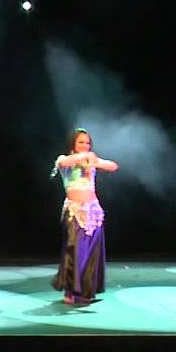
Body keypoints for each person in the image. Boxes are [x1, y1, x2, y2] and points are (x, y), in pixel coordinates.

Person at [49, 128, 118, 304]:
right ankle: (69, 292)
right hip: (75, 210)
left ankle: (85, 292)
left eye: (87, 143)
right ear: (73, 143)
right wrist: (85, 158)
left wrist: (95, 162)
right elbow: (64, 163)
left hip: (93, 212)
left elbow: (113, 166)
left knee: (91, 254)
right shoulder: (65, 159)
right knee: (74, 251)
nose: (85, 145)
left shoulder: (91, 159)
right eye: (81, 142)